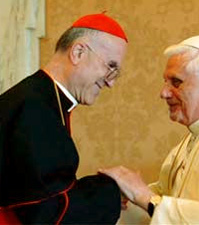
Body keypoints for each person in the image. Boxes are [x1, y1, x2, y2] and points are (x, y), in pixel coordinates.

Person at [99, 35, 199, 224]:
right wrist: (120, 198)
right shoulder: (195, 136)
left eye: (176, 82)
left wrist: (145, 197)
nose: (164, 93)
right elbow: (163, 201)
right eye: (165, 81)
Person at [0, 13, 128, 224]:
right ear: (78, 52)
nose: (110, 83)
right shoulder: (33, 108)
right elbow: (49, 213)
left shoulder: (41, 99)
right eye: (110, 67)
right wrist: (113, 189)